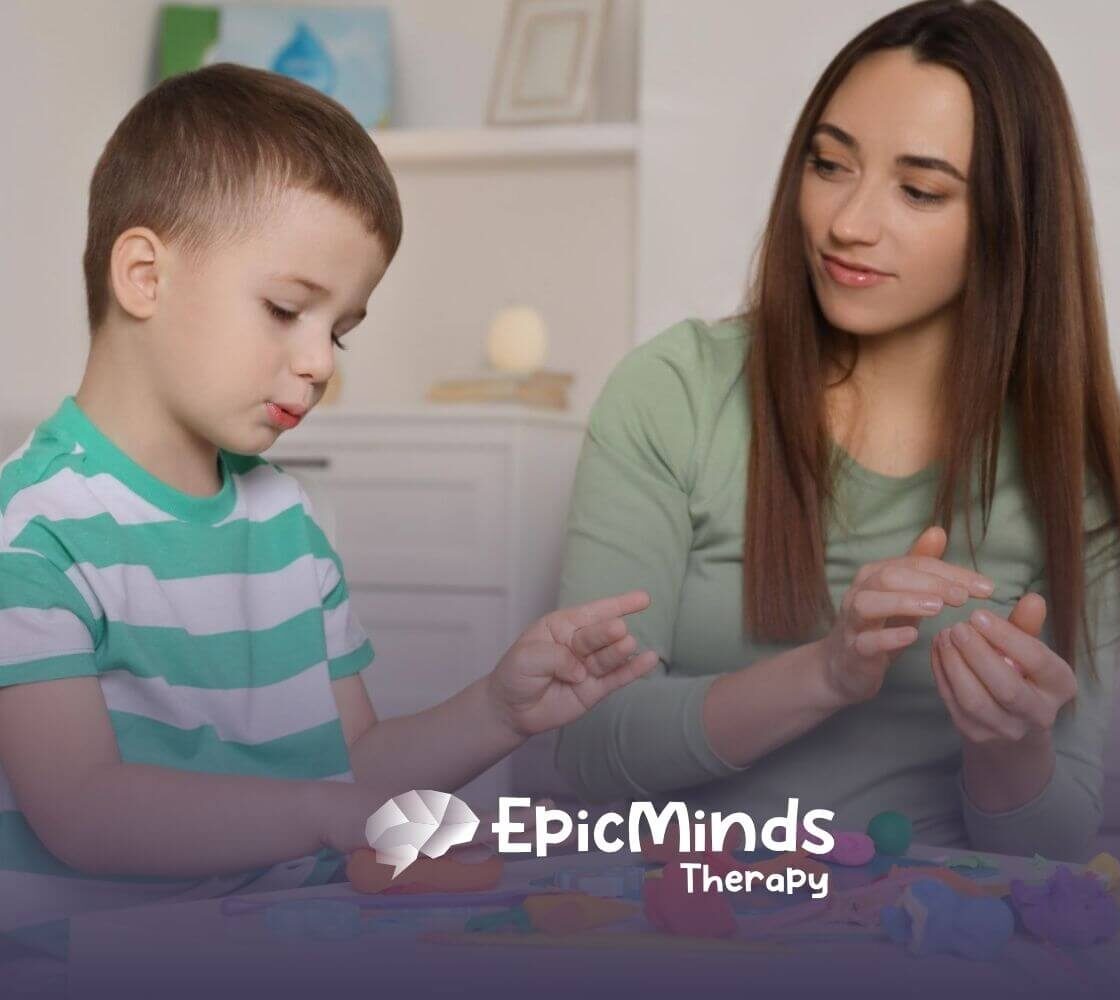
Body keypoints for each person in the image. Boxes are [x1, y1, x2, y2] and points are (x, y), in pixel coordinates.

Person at [0, 63, 658, 954]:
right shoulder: (34, 529)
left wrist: (498, 711)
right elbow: (83, 809)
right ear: (145, 276)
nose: (319, 363)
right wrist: (317, 813)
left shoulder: (285, 520)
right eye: (286, 310)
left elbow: (352, 767)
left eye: (339, 331)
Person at [554, 0, 1120, 863]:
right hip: (688, 900)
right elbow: (583, 747)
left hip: (933, 917)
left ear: (1012, 222)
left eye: (919, 191)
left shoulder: (1069, 475)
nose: (848, 222)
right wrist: (826, 673)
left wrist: (1011, 746)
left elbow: (1055, 843)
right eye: (830, 164)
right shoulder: (676, 392)